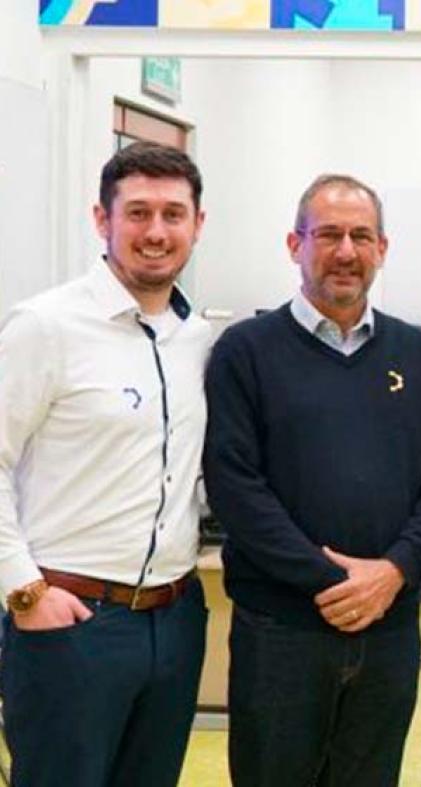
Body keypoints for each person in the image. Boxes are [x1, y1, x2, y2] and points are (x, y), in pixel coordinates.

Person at [203, 174, 421, 786]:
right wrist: (339, 582)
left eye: (360, 236)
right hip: (282, 632)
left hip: (389, 629)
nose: (346, 251)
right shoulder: (245, 352)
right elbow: (235, 486)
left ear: (382, 248)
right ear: (295, 245)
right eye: (328, 235)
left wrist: (393, 573)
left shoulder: (419, 355)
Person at [0, 141, 211, 787]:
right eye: (138, 212)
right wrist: (24, 589)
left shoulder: (195, 337)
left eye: (173, 214)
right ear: (102, 220)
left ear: (197, 224)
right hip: (72, 620)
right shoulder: (46, 326)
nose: (156, 232)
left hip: (174, 620)